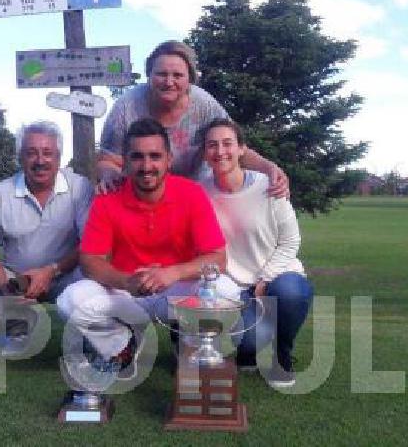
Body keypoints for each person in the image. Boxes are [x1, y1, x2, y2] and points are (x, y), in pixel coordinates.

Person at [56, 118, 241, 380]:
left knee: (226, 290)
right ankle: (123, 343)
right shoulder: (108, 197)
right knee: (71, 299)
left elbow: (217, 259)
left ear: (169, 159)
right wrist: (126, 281)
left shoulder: (191, 193)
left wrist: (172, 273)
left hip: (174, 293)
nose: (146, 166)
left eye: (155, 156)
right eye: (138, 157)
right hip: (127, 293)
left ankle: (189, 345)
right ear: (125, 161)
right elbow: (90, 261)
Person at [0, 120, 93, 354]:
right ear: (20, 157)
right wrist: (6, 286)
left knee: (94, 289)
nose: (40, 161)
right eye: (31, 153)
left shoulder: (80, 188)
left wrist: (51, 271)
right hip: (15, 278)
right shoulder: (1, 193)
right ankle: (16, 325)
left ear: (59, 157)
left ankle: (92, 335)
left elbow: (90, 244)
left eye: (47, 153)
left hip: (64, 273)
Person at [196, 118, 314, 388]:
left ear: (241, 149)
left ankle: (282, 354)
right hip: (234, 284)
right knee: (248, 339)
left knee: (292, 293)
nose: (220, 151)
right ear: (204, 154)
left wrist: (265, 279)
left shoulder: (269, 186)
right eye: (212, 145)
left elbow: (290, 241)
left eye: (228, 143)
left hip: (279, 275)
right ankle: (248, 351)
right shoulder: (200, 192)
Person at [95, 40, 290, 198]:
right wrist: (109, 175)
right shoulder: (126, 107)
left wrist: (269, 168)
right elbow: (108, 159)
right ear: (149, 75)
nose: (169, 82)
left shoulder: (205, 105)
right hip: (144, 192)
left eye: (177, 75)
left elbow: (235, 147)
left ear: (190, 79)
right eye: (161, 74)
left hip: (197, 193)